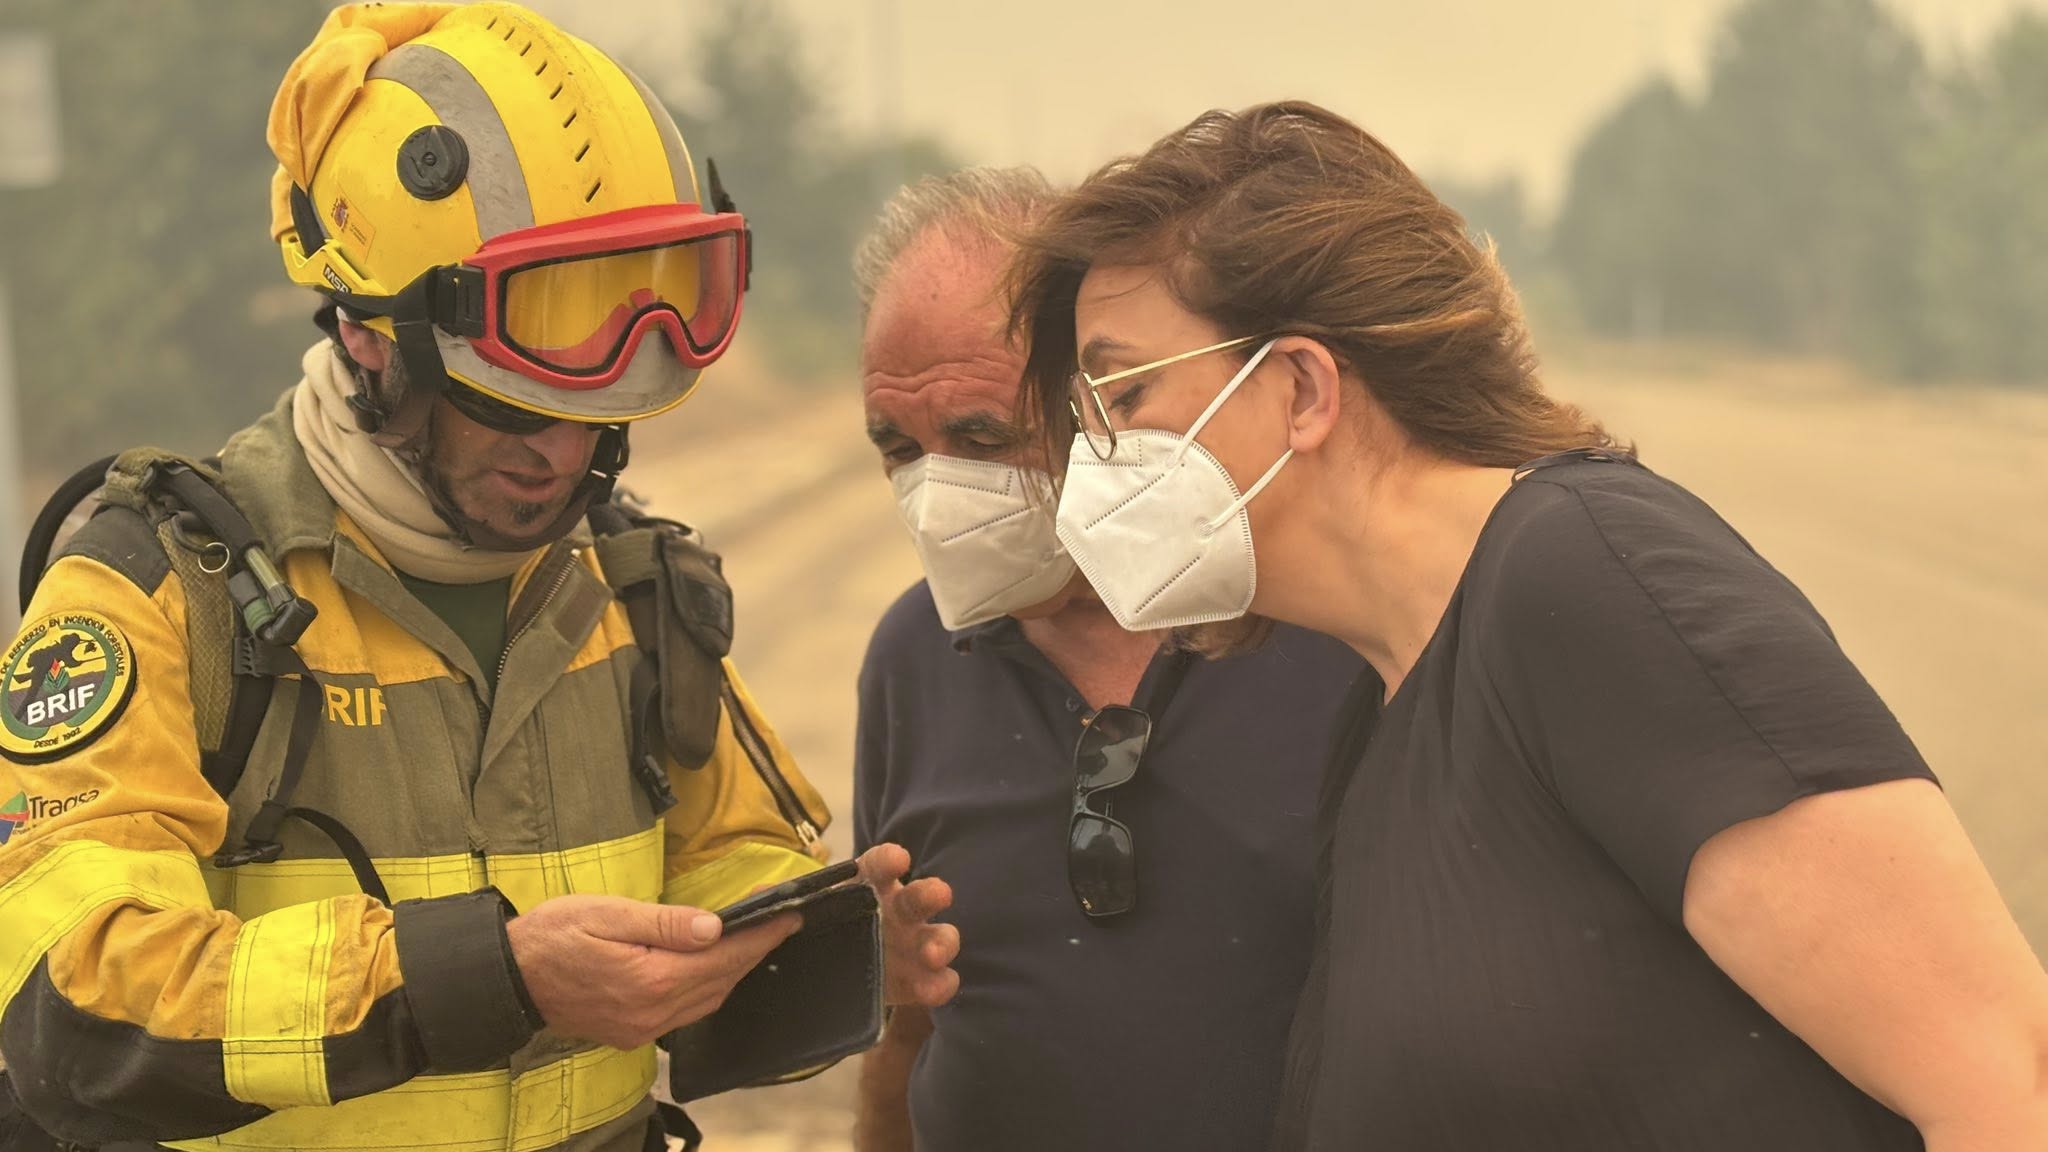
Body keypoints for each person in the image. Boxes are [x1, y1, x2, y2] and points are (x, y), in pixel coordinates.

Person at [0, 6, 956, 1152]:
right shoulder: (155, 592)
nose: (559, 452)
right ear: (366, 337)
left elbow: (725, 852)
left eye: (598, 408)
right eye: (509, 398)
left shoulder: (632, 584)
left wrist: (813, 937)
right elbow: (72, 995)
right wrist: (489, 979)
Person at [1008, 101, 2048, 1151]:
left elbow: (2006, 1082)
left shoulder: (1588, 581)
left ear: (1300, 388)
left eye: (1123, 395)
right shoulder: (1387, 695)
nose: (1093, 460)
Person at [849, 167, 1363, 1152]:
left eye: (978, 435)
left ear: (1104, 395)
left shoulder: (1324, 631)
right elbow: (909, 1023)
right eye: (896, 447)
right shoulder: (912, 657)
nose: (936, 495)